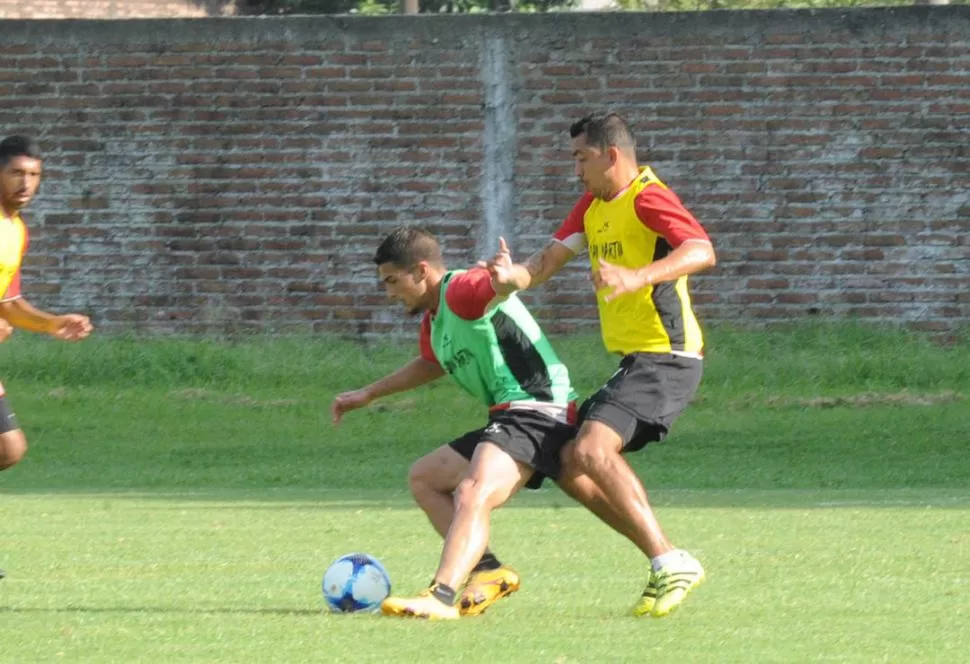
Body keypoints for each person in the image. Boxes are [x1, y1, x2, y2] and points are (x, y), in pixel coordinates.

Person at [480, 112, 717, 618]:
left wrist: (640, 275)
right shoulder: (592, 205)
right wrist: (510, 278)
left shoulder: (647, 196)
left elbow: (700, 249)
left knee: (591, 446)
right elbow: (546, 262)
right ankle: (663, 559)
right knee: (568, 461)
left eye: (580, 158)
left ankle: (670, 559)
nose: (575, 169)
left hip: (668, 356)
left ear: (611, 155)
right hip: (638, 360)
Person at [331, 226, 581, 620]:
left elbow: (490, 287)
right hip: (511, 413)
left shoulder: (460, 290)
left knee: (472, 491)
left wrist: (502, 278)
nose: (390, 293)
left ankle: (442, 595)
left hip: (538, 408)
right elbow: (430, 363)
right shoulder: (435, 319)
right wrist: (368, 394)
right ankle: (488, 571)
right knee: (425, 477)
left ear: (422, 271)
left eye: (393, 281)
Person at [0, 135, 94, 579]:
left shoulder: (16, 230)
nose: (26, 182)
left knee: (8, 448)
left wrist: (52, 323)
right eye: (16, 172)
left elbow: (9, 302)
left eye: (34, 174)